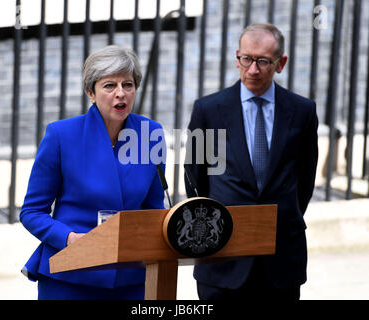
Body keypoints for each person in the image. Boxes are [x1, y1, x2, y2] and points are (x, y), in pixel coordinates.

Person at [184, 23, 318, 301]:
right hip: (222, 258)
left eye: (263, 61)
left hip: (281, 257)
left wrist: (281, 218)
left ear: (281, 64)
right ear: (237, 58)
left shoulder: (303, 111)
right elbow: (195, 178)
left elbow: (305, 179)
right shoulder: (208, 110)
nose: (253, 70)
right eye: (246, 59)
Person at [20, 45, 166, 300]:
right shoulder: (61, 136)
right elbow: (31, 212)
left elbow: (153, 208)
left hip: (131, 278)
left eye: (128, 85)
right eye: (109, 86)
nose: (120, 94)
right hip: (71, 275)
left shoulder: (150, 133)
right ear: (91, 92)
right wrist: (69, 239)